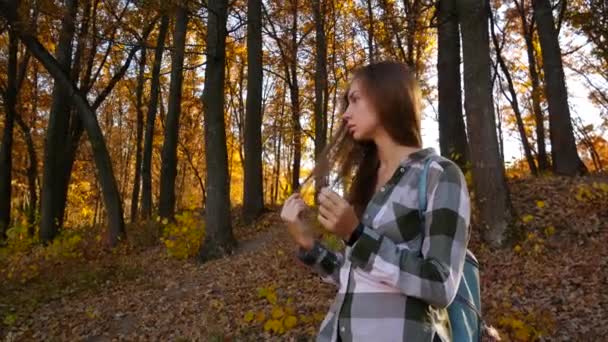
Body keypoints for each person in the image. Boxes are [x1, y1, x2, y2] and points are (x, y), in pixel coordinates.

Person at [280, 61, 471, 342]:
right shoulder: (367, 181)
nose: (346, 114)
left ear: (387, 96)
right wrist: (309, 246)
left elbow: (440, 284)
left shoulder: (439, 175)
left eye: (355, 99)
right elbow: (356, 274)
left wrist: (356, 235)